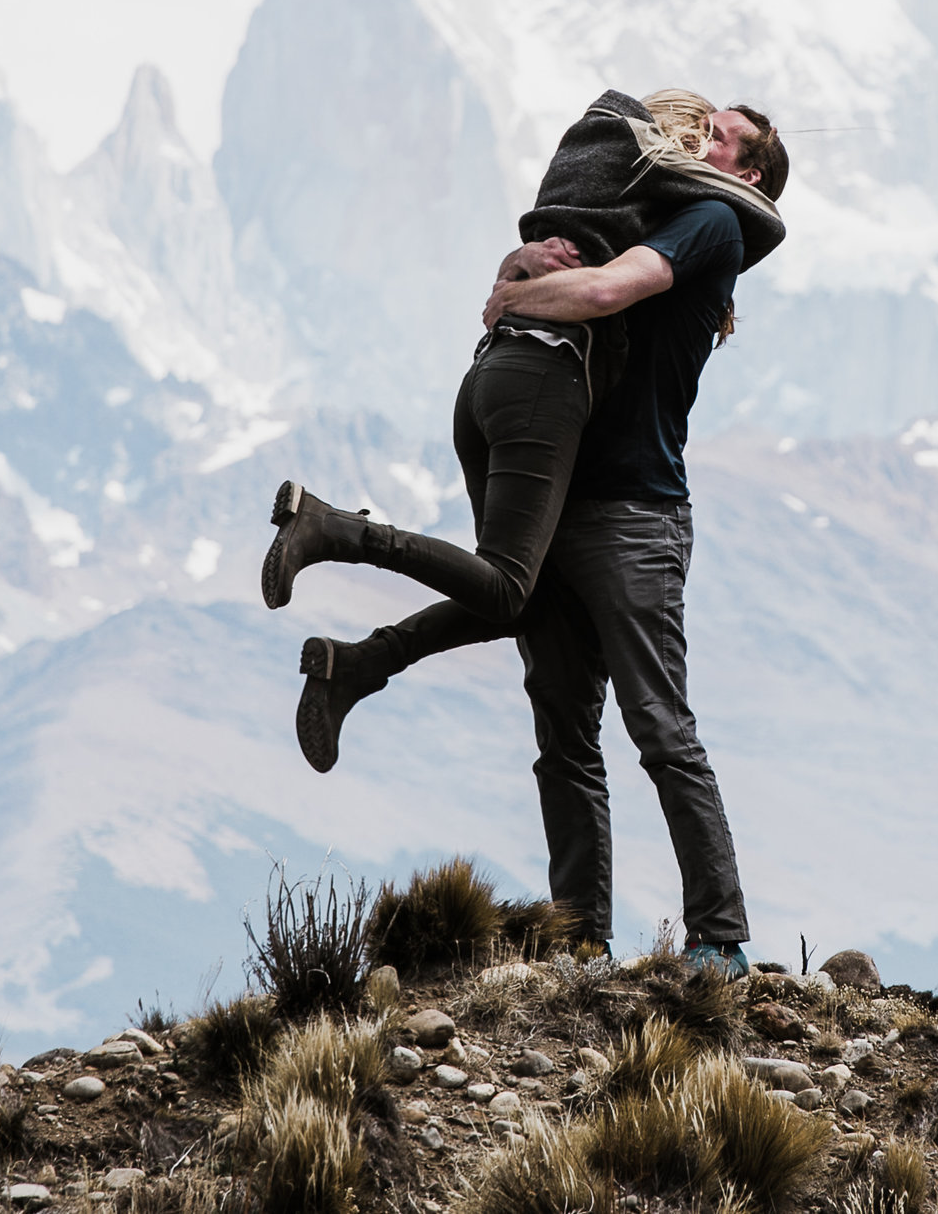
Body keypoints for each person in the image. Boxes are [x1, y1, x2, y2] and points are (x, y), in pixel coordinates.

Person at [257, 93, 786, 963]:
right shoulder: (653, 207)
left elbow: (610, 289)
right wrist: (522, 262)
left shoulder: (712, 224)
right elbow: (571, 261)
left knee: (659, 727)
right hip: (571, 499)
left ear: (750, 171)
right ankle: (580, 942)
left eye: (722, 136)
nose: (701, 137)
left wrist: (518, 296)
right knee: (563, 736)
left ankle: (719, 943)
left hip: (637, 516)